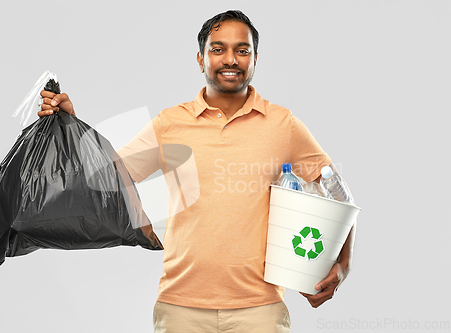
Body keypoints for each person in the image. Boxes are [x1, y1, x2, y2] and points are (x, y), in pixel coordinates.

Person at [38, 10, 356, 333]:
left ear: (255, 59)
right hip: (180, 309)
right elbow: (108, 177)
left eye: (241, 50)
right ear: (201, 60)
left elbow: (339, 193)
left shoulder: (282, 125)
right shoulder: (170, 123)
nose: (230, 59)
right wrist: (71, 124)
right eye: (218, 49)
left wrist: (342, 266)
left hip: (260, 310)